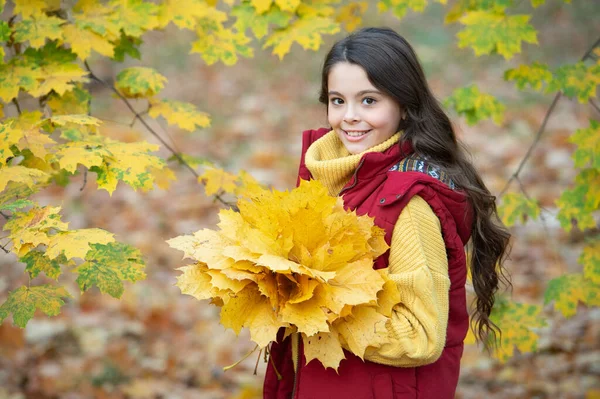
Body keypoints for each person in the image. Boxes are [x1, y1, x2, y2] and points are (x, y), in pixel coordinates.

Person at [263, 27, 511, 399]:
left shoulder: (409, 204)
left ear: (404, 104)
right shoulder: (326, 181)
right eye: (337, 100)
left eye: (368, 101)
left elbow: (420, 335)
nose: (349, 116)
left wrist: (316, 309)